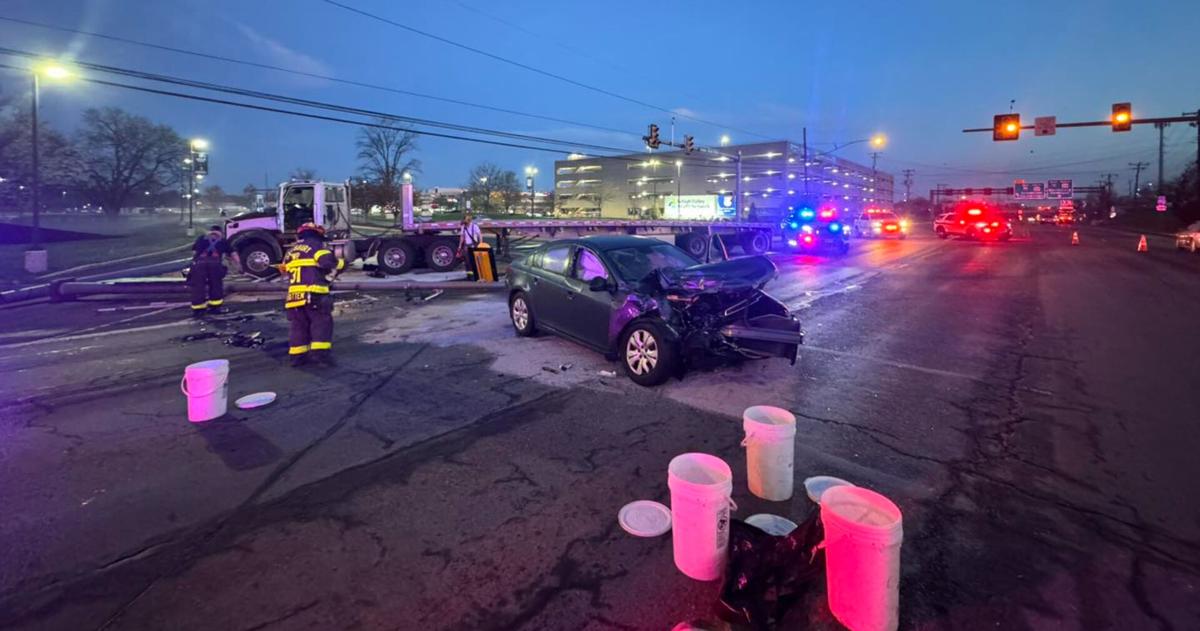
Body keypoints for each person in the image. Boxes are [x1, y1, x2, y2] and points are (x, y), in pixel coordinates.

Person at [283, 223, 344, 366]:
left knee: (298, 326)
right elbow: (328, 263)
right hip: (314, 293)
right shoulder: (318, 246)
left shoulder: (291, 251)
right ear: (318, 234)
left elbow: (285, 269)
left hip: (293, 296)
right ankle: (320, 355)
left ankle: (297, 357)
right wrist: (342, 263)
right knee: (321, 323)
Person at [188, 224, 237, 317]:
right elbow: (233, 254)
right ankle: (215, 307)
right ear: (221, 232)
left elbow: (194, 252)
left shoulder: (201, 238)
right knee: (215, 285)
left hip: (199, 265)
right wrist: (239, 266)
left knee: (198, 286)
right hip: (215, 265)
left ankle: (198, 309)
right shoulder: (223, 240)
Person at [458, 213, 482, 280]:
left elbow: (479, 235)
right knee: (467, 262)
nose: (464, 224)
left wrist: (481, 244)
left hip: (473, 246)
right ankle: (470, 276)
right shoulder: (464, 227)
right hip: (467, 246)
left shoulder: (474, 226)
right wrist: (460, 246)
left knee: (475, 261)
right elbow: (462, 237)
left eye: (465, 222)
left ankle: (477, 275)